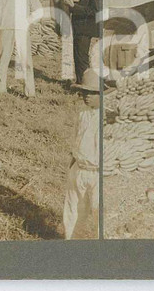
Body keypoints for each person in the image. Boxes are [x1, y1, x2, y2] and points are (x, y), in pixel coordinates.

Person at [63, 68, 101, 239]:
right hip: (78, 167)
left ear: (101, 94)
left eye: (92, 93)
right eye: (84, 92)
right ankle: (69, 240)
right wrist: (72, 164)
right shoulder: (82, 114)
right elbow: (76, 139)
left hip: (97, 172)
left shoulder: (106, 118)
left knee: (98, 211)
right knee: (72, 208)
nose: (87, 96)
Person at [61, 0, 100, 82]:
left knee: (81, 57)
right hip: (79, 26)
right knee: (78, 56)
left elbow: (95, 10)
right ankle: (80, 81)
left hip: (85, 27)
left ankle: (85, 83)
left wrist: (73, 7)